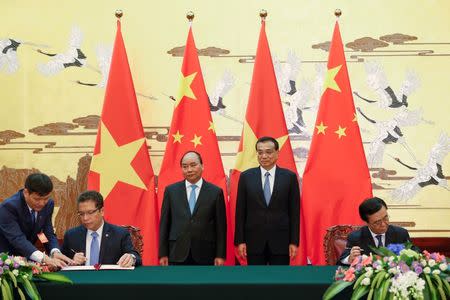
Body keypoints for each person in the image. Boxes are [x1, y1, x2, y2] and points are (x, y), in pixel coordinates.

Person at [235, 136, 300, 265]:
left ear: (277, 153)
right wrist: (240, 241)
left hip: (281, 241)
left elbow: (294, 213)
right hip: (253, 241)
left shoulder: (289, 177)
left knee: (280, 281)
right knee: (255, 281)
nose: (264, 156)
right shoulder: (246, 177)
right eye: (260, 152)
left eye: (268, 152)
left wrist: (294, 242)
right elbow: (240, 212)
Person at [159, 151, 227, 266]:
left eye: (193, 165)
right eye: (185, 166)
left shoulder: (215, 192)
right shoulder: (171, 191)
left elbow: (221, 227)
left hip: (206, 254)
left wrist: (220, 255)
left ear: (202, 166)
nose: (189, 170)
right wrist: (162, 253)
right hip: (176, 253)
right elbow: (165, 224)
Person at [0, 173, 72, 267]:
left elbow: (43, 233)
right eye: (37, 199)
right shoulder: (8, 207)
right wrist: (44, 258)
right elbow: (17, 239)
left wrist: (54, 251)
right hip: (5, 261)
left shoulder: (48, 204)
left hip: (29, 260)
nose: (42, 203)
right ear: (26, 193)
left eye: (45, 198)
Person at [61, 190, 141, 267]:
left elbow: (136, 257)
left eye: (90, 212)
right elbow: (61, 261)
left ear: (102, 211)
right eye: (81, 214)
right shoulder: (71, 235)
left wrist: (131, 258)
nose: (85, 218)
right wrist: (71, 260)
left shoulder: (120, 234)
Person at [339, 197, 416, 265]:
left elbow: (415, 253)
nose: (383, 224)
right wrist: (349, 259)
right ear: (366, 223)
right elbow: (342, 259)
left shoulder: (401, 234)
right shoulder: (356, 237)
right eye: (377, 222)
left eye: (385, 218)